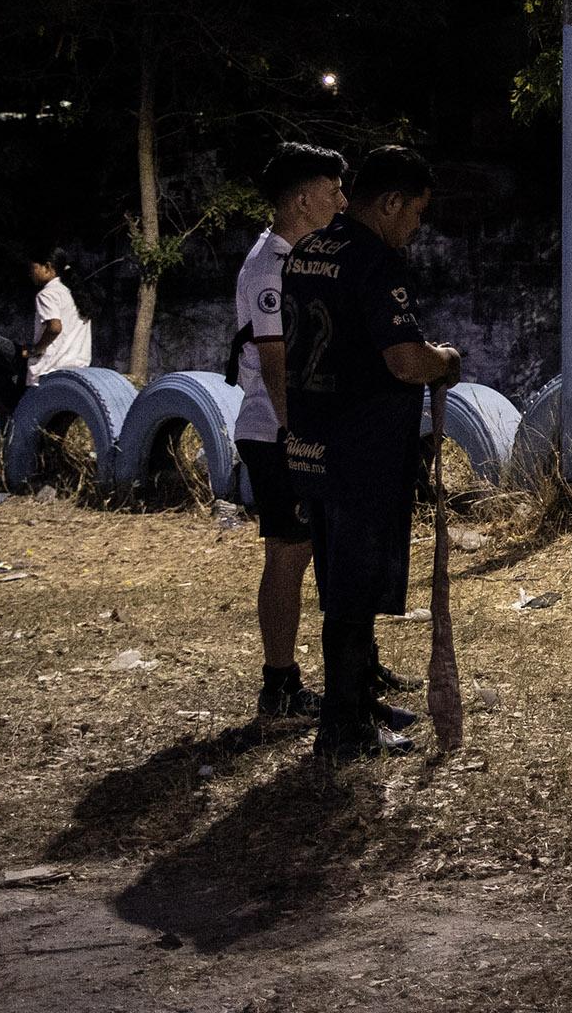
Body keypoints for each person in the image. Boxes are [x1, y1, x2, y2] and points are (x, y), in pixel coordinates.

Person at [282, 145, 463, 760]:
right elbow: (405, 359)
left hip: (313, 445)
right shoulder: (375, 262)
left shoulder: (305, 254)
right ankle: (346, 727)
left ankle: (354, 706)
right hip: (362, 448)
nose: (415, 227)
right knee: (355, 592)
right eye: (414, 213)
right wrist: (447, 361)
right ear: (388, 203)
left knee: (339, 585)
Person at [235, 142, 348, 722]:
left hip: (296, 432)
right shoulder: (269, 265)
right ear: (303, 200)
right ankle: (279, 684)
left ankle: (348, 670)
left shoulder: (301, 258)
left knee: (310, 551)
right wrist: (296, 437)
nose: (343, 202)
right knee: (288, 553)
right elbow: (276, 360)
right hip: (276, 432)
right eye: (333, 193)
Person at [26, 246, 93, 376]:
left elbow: (54, 328)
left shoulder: (48, 293)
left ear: (47, 267)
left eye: (33, 268)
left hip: (51, 366)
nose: (30, 273)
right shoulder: (76, 293)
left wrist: (35, 349)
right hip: (79, 367)